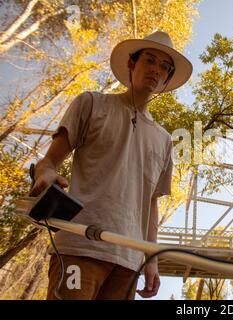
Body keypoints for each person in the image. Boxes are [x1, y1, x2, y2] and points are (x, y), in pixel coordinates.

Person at [30, 31, 192, 300]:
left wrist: (151, 259)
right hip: (79, 246)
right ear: (131, 63)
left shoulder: (164, 141)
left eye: (164, 67)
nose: (156, 70)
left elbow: (151, 204)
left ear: (167, 78)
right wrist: (45, 174)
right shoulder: (91, 103)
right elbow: (49, 162)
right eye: (149, 60)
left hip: (128, 263)